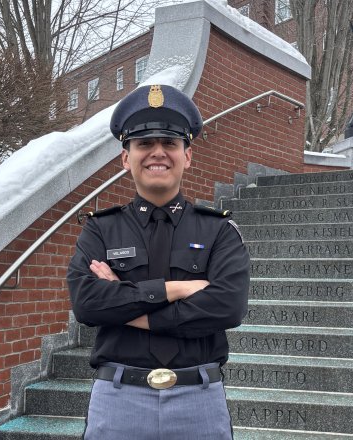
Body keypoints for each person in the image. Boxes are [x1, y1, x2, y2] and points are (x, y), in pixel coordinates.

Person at [67, 84, 250, 440]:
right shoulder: (100, 230)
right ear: (125, 158)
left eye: (169, 143)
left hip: (198, 399)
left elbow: (227, 307)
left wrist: (124, 301)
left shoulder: (219, 230)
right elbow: (87, 304)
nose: (158, 153)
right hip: (119, 399)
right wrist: (175, 288)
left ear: (187, 156)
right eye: (144, 144)